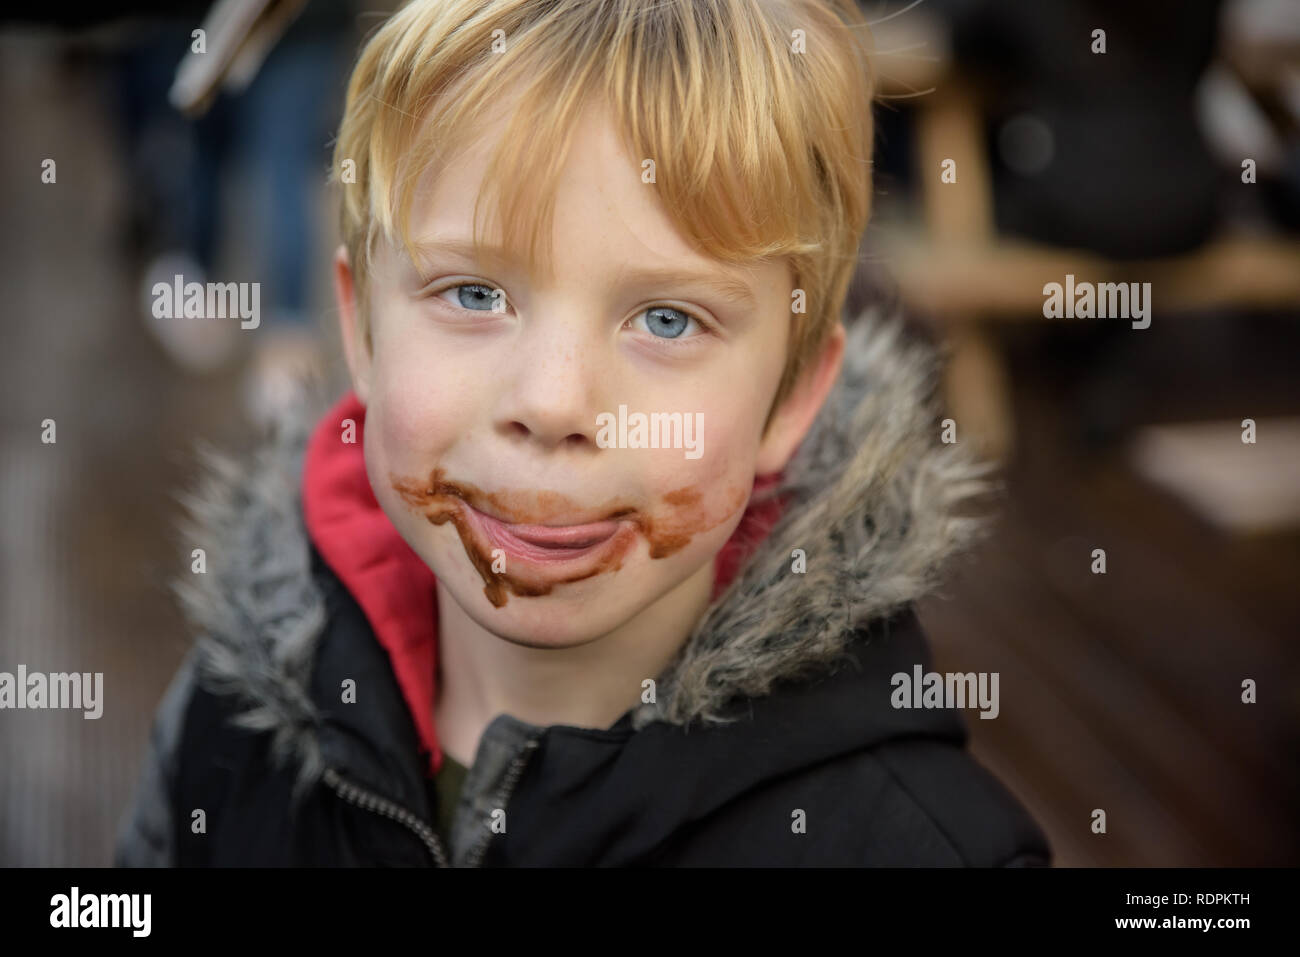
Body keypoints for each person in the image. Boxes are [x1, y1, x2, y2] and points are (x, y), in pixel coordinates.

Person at [114, 0, 1050, 867]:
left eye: (669, 319)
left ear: (793, 394)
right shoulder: (223, 721)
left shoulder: (917, 849)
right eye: (474, 293)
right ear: (360, 331)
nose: (556, 403)